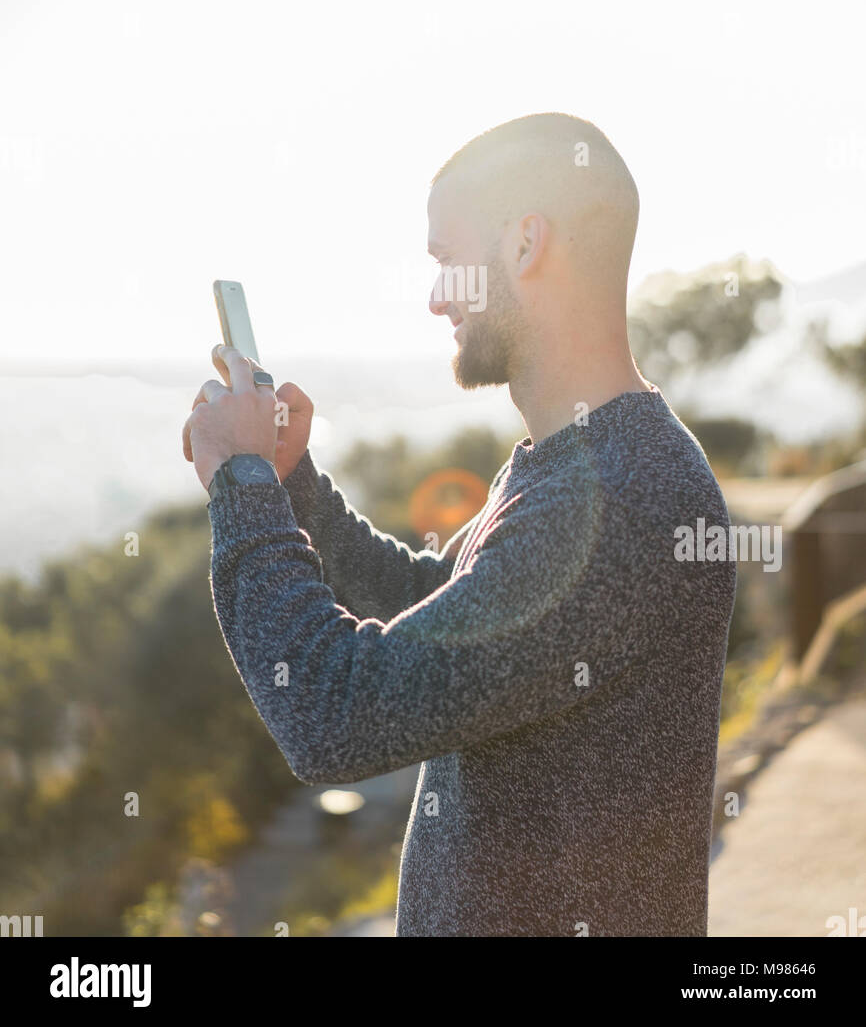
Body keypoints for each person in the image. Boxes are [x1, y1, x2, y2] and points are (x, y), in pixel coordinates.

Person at [183, 112, 736, 937]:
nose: (436, 295)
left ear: (524, 245)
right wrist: (297, 489)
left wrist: (241, 483)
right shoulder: (576, 464)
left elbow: (331, 714)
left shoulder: (622, 501)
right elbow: (447, 612)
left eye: (446, 260)